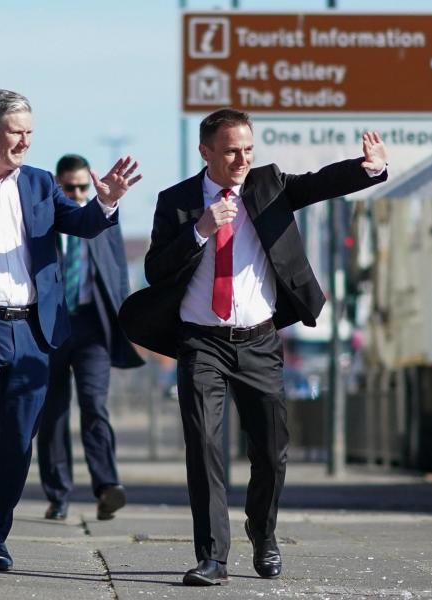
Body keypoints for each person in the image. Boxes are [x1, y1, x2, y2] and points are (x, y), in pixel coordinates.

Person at [119, 108, 388, 586]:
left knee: (270, 451)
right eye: (230, 150)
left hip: (259, 340)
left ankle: (263, 535)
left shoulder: (268, 185)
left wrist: (366, 168)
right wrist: (200, 229)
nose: (242, 158)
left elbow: (318, 184)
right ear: (206, 153)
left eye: (248, 149)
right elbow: (157, 270)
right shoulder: (177, 202)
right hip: (201, 341)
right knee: (203, 447)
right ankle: (212, 557)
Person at [0, 90, 141, 579]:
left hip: (34, 331)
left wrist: (106, 201)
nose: (25, 142)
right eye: (16, 132)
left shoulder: (39, 185)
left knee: (17, 443)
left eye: (30, 133)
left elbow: (81, 224)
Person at [36, 154, 145, 523]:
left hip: (92, 328)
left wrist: (128, 319)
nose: (80, 194)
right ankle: (58, 494)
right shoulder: (45, 220)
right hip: (50, 328)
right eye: (71, 188)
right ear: (58, 185)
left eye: (84, 187)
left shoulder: (103, 220)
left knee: (95, 406)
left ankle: (106, 487)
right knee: (53, 414)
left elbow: (117, 273)